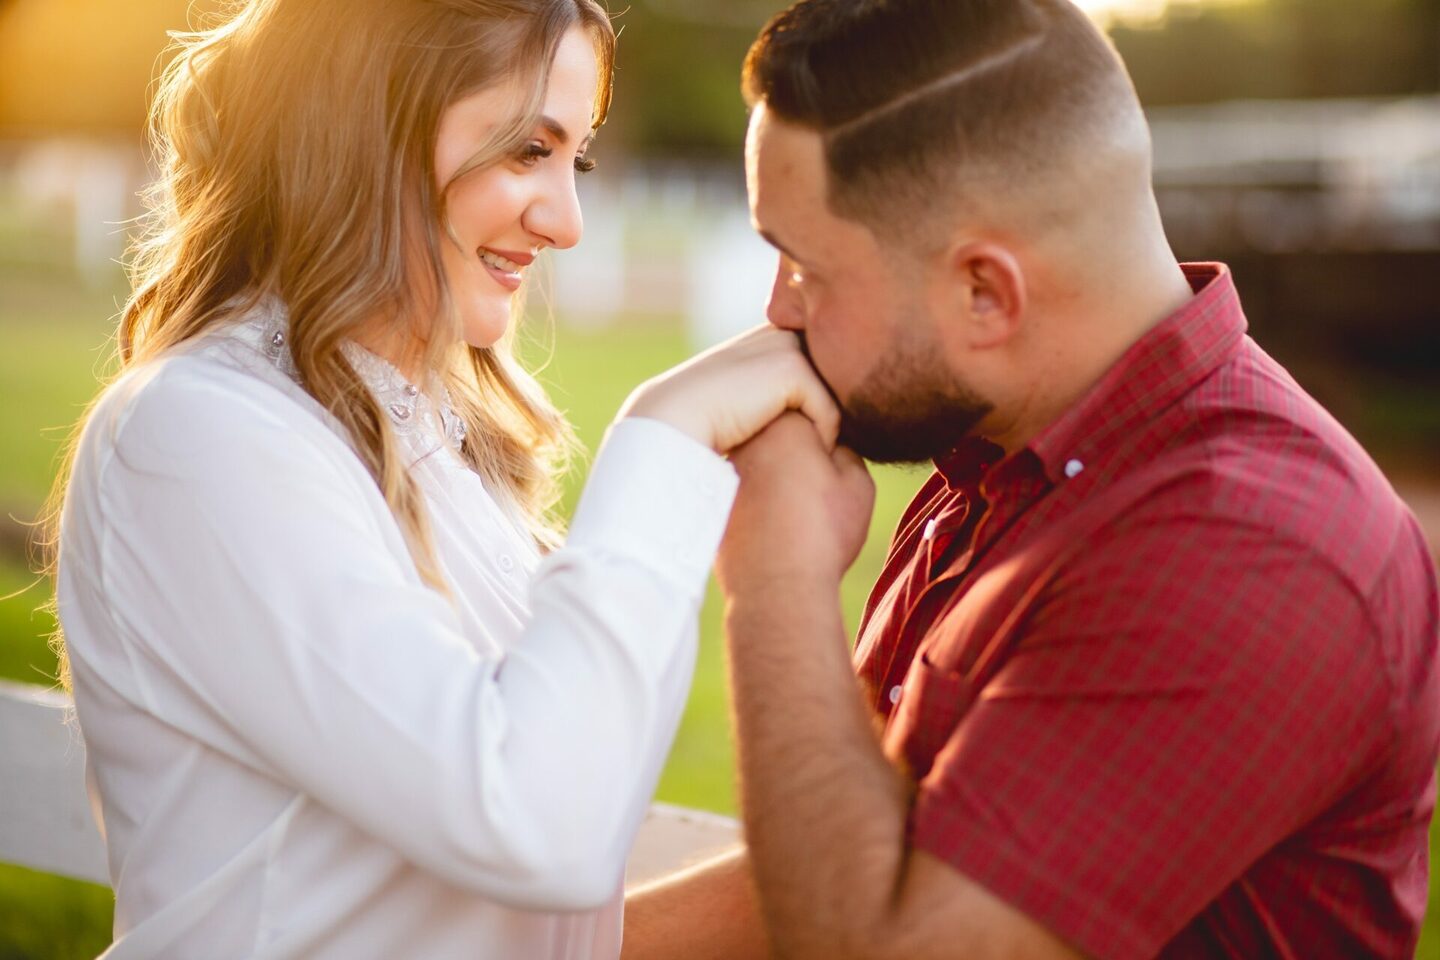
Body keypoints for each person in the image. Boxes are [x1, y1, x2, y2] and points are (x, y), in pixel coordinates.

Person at [622, 1, 1440, 957]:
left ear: (985, 293)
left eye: (805, 265)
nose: (775, 306)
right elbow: (854, 854)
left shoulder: (1252, 554)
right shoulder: (1007, 447)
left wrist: (775, 581)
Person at [45, 1, 839, 958]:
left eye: (573, 160)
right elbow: (534, 824)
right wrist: (665, 438)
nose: (567, 221)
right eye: (527, 151)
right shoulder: (193, 433)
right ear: (364, 131)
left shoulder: (424, 441)